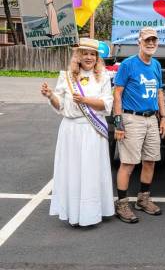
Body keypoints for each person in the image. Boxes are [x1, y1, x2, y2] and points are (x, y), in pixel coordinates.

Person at [41, 38, 114, 226]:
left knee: (91, 171)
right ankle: (74, 213)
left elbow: (107, 104)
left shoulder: (104, 77)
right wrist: (50, 96)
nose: (89, 57)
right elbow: (61, 105)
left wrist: (85, 100)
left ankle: (93, 213)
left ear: (97, 57)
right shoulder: (66, 77)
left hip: (92, 131)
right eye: (85, 53)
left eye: (92, 54)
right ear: (78, 56)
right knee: (72, 171)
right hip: (70, 130)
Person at [113, 27, 165, 224]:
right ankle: (122, 204)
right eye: (147, 40)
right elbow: (117, 93)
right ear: (139, 42)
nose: (151, 43)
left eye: (154, 40)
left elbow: (160, 92)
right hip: (131, 119)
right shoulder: (128, 64)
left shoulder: (156, 65)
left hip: (151, 119)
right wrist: (118, 122)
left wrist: (163, 117)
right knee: (128, 163)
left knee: (150, 160)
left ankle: (143, 199)